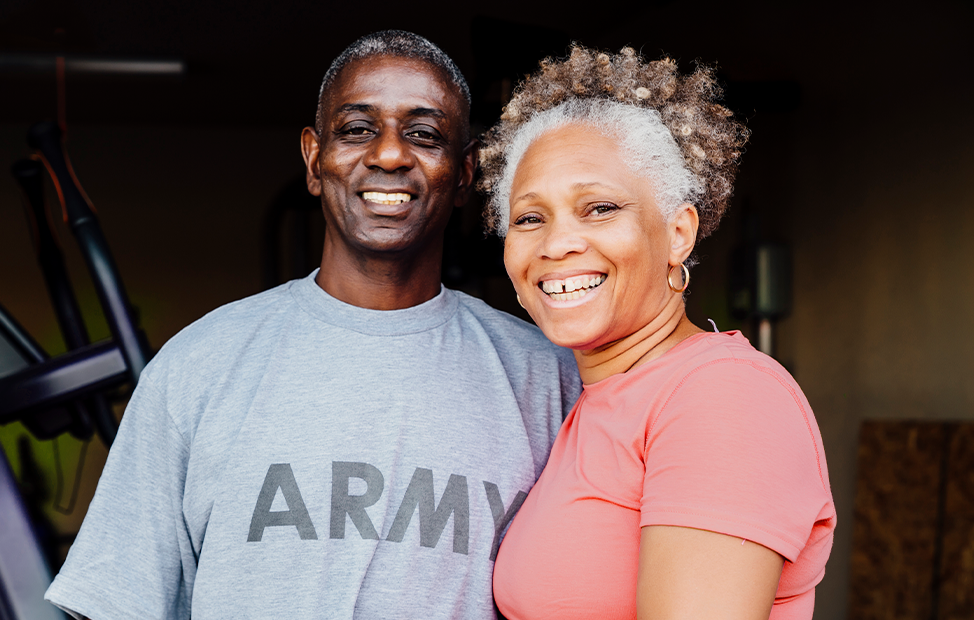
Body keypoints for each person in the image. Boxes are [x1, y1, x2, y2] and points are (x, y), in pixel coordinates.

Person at [44, 30, 580, 620]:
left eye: (425, 135)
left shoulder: (547, 378)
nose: (390, 155)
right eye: (357, 129)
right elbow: (114, 603)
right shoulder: (199, 365)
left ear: (465, 172)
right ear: (313, 158)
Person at [480, 45, 835, 619]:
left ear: (678, 233)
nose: (557, 243)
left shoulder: (723, 397)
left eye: (598, 208)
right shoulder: (591, 402)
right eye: (529, 217)